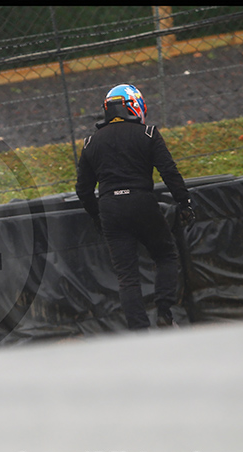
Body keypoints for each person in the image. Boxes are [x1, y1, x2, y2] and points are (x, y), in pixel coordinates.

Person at [75, 84, 195, 331]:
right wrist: (184, 203)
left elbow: (83, 190)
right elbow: (169, 171)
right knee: (165, 255)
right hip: (142, 202)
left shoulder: (90, 143)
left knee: (127, 276)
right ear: (135, 106)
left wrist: (97, 215)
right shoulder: (148, 134)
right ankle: (164, 314)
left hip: (110, 207)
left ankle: (139, 332)